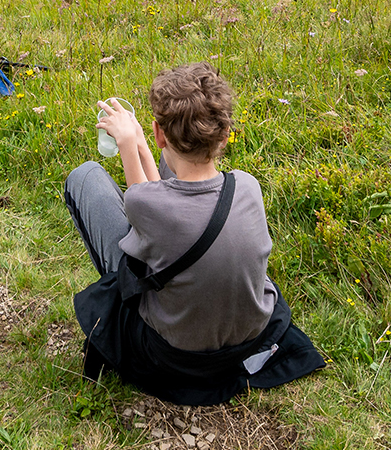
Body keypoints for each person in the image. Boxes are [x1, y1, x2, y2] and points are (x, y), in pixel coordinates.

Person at [65, 62, 324, 404]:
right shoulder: (248, 187)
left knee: (85, 177)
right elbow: (161, 204)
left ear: (160, 134)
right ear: (225, 135)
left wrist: (130, 143)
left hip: (175, 354)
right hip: (251, 339)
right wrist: (143, 142)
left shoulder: (146, 204)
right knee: (170, 173)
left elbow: (147, 203)